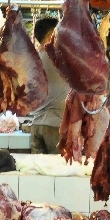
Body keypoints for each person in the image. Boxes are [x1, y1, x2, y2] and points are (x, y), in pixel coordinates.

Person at [30, 17, 70, 154]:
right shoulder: (58, 57)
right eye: (58, 33)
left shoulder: (34, 59)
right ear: (49, 35)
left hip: (36, 125)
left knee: (38, 173)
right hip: (55, 126)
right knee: (58, 172)